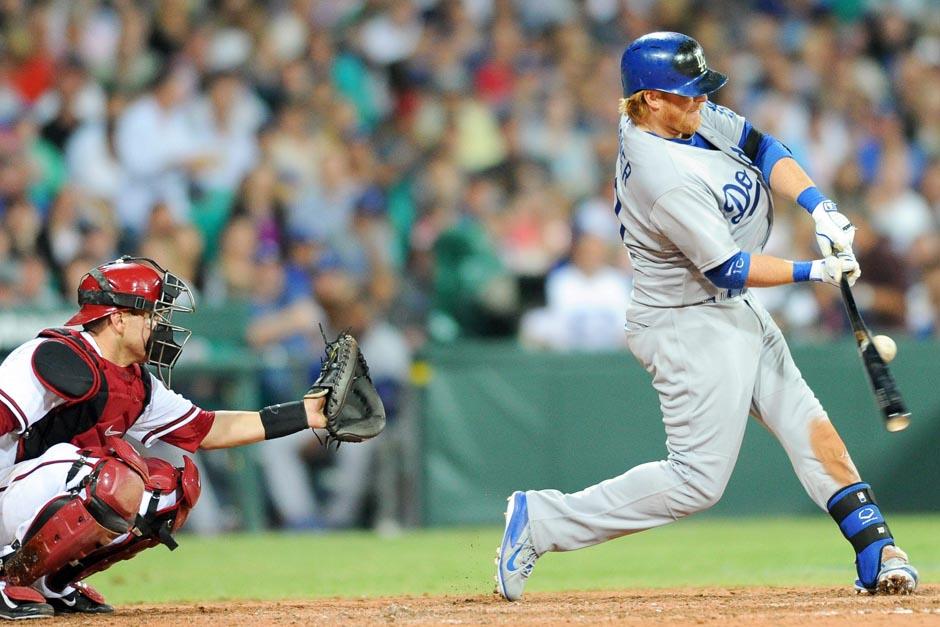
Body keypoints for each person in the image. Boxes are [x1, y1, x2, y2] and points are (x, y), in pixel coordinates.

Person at [495, 32, 918, 602]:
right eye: (685, 96)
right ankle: (542, 520)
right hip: (685, 322)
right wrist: (813, 272)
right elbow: (727, 267)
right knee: (696, 482)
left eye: (699, 93)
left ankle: (876, 547)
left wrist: (821, 207)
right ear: (648, 99)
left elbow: (764, 146)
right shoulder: (658, 170)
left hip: (727, 310)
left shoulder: (680, 117)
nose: (699, 103)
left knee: (805, 422)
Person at [0, 255, 382, 619]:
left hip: (31, 498)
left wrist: (308, 413)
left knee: (166, 492)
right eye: (151, 313)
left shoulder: (136, 381)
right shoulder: (52, 355)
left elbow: (208, 429)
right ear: (117, 319)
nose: (162, 324)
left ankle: (50, 582)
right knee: (109, 479)